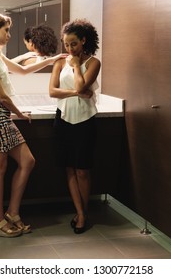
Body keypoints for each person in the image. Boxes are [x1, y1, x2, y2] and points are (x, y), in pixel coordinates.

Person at [0, 12, 67, 238]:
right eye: (5, 30)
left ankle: (13, 213)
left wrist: (50, 60)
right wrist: (20, 113)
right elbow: (1, 96)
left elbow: (23, 70)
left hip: (0, 114)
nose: (8, 34)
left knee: (27, 161)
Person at [49, 19, 101, 234]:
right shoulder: (60, 62)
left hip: (85, 120)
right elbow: (52, 91)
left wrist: (76, 65)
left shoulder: (93, 63)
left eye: (73, 44)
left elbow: (81, 84)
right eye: (66, 44)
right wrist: (75, 93)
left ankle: (83, 212)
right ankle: (80, 212)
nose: (69, 49)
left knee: (82, 172)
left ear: (83, 41)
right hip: (63, 119)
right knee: (69, 168)